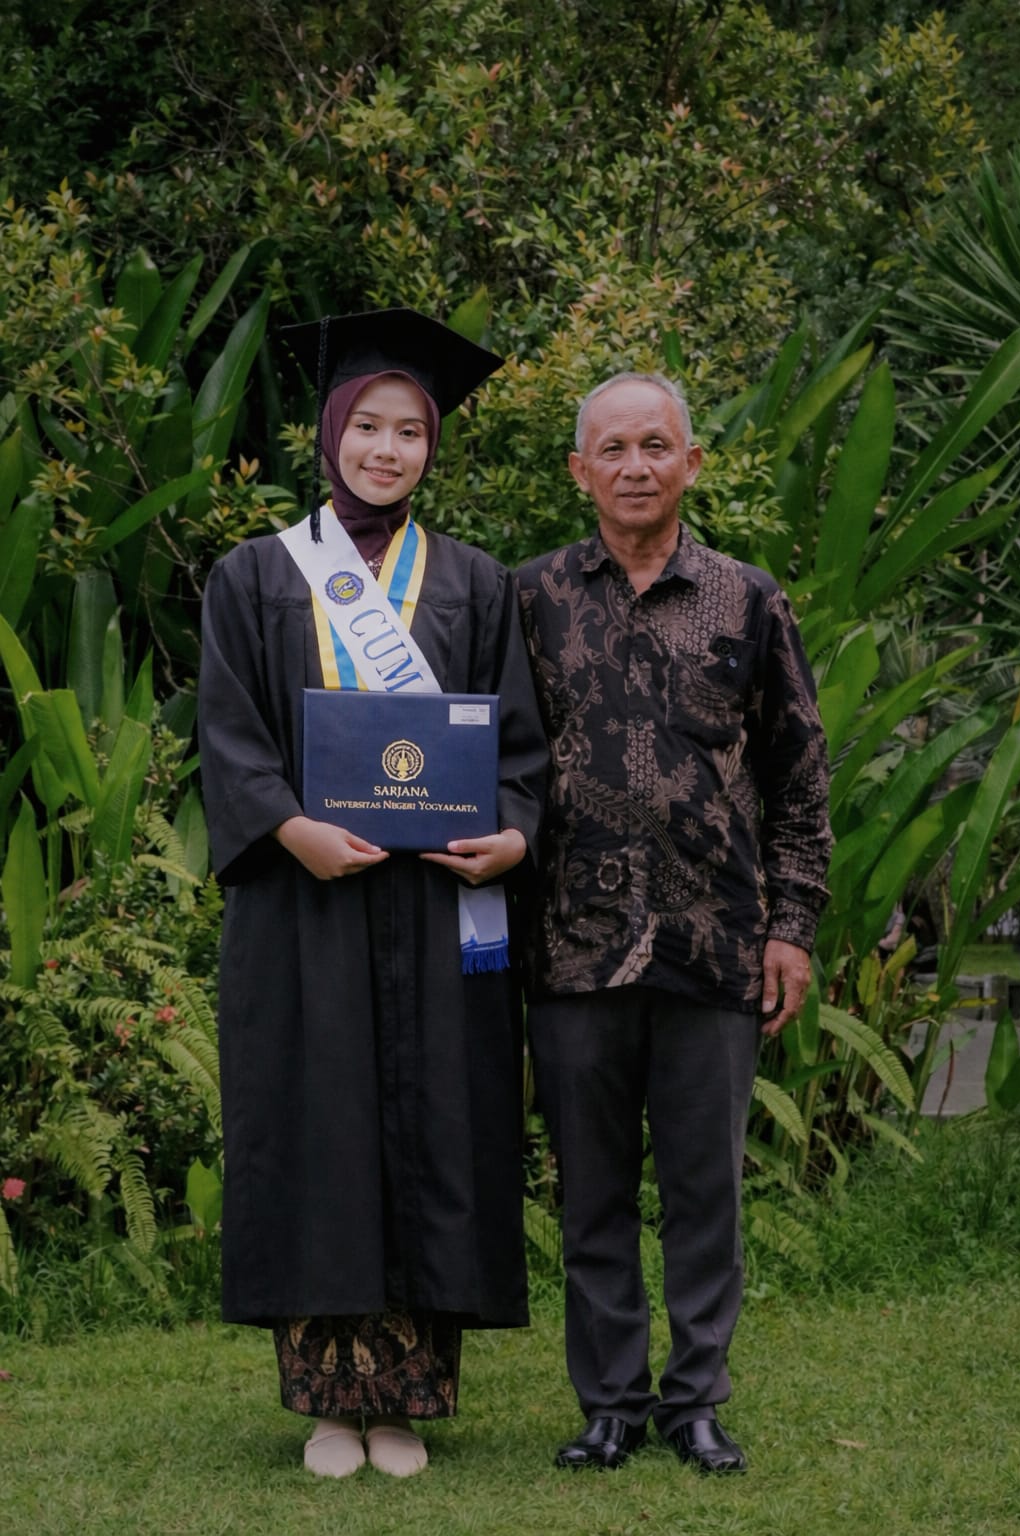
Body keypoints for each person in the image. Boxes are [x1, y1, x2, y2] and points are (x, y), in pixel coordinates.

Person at [198, 307, 548, 1480]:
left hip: (436, 908)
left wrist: (511, 836)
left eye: (410, 432)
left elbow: (518, 744)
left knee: (429, 1128)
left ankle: (401, 1403)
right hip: (305, 903)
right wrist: (288, 827)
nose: (386, 450)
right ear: (329, 432)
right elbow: (228, 732)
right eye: (367, 426)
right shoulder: (255, 575)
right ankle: (324, 1404)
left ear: (431, 447)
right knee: (319, 1125)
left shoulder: (476, 583)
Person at [516, 372, 832, 1474]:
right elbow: (497, 759)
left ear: (691, 462)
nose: (635, 466)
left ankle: (695, 1400)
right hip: (573, 946)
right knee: (591, 1192)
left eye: (656, 445)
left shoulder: (749, 599)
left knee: (706, 1192)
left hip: (715, 940)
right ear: (580, 471)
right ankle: (610, 1402)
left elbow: (799, 776)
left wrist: (792, 924)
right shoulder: (531, 598)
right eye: (612, 449)